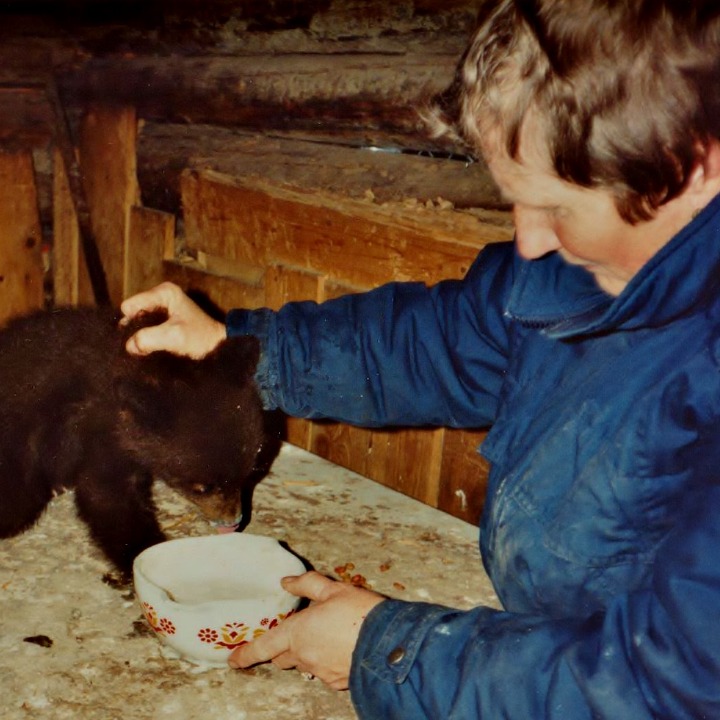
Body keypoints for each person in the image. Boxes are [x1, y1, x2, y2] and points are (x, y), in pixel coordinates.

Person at [120, 1, 720, 717]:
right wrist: (236, 355)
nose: (528, 241)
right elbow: (438, 342)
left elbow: (672, 686)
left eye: (555, 208)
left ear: (694, 166)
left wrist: (386, 651)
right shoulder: (580, 270)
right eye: (515, 204)